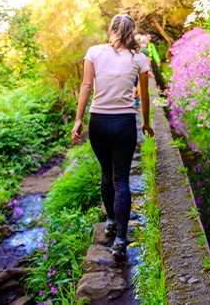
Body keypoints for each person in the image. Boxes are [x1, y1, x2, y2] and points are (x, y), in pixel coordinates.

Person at [72, 14, 154, 260]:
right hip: (124, 124)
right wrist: (147, 122)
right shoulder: (139, 58)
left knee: (106, 174)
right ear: (131, 32)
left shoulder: (94, 52)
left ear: (110, 29)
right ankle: (120, 239)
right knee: (121, 180)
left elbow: (86, 86)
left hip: (98, 122)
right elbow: (145, 95)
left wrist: (78, 119)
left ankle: (110, 220)